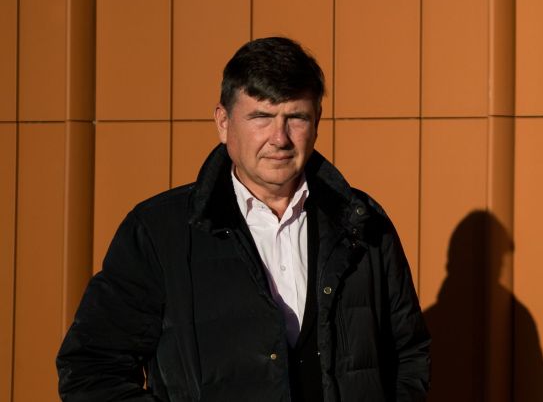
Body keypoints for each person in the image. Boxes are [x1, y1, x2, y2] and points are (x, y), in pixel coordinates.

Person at [57, 37, 430, 401]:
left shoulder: (362, 224)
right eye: (261, 117)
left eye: (295, 117)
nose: (279, 138)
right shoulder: (159, 232)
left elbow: (409, 354)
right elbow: (91, 370)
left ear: (316, 121)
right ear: (223, 122)